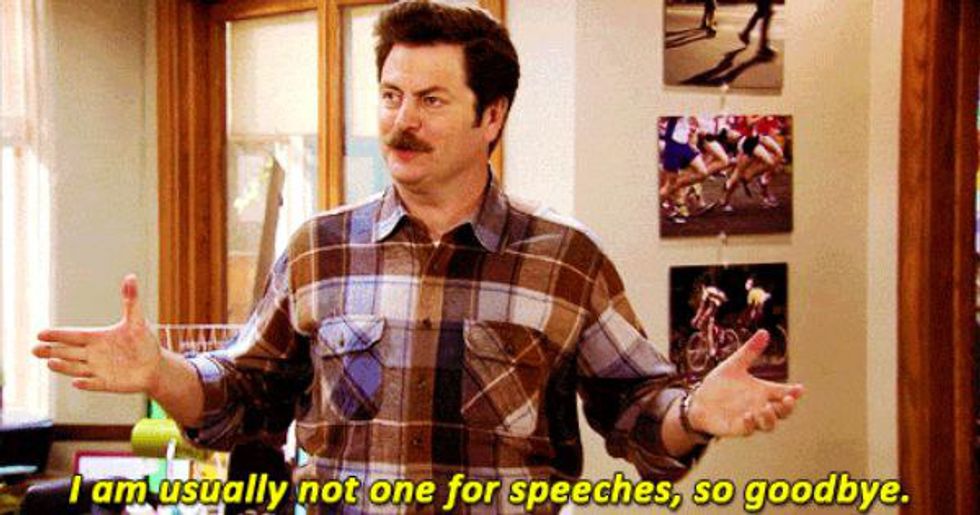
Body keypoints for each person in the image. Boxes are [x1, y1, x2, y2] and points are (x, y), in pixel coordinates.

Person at [33, 1, 803, 513]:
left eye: (432, 100)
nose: (402, 121)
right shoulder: (319, 249)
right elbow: (244, 397)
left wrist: (693, 412)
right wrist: (162, 372)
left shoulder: (566, 258)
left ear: (491, 115)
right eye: (391, 95)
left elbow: (637, 412)